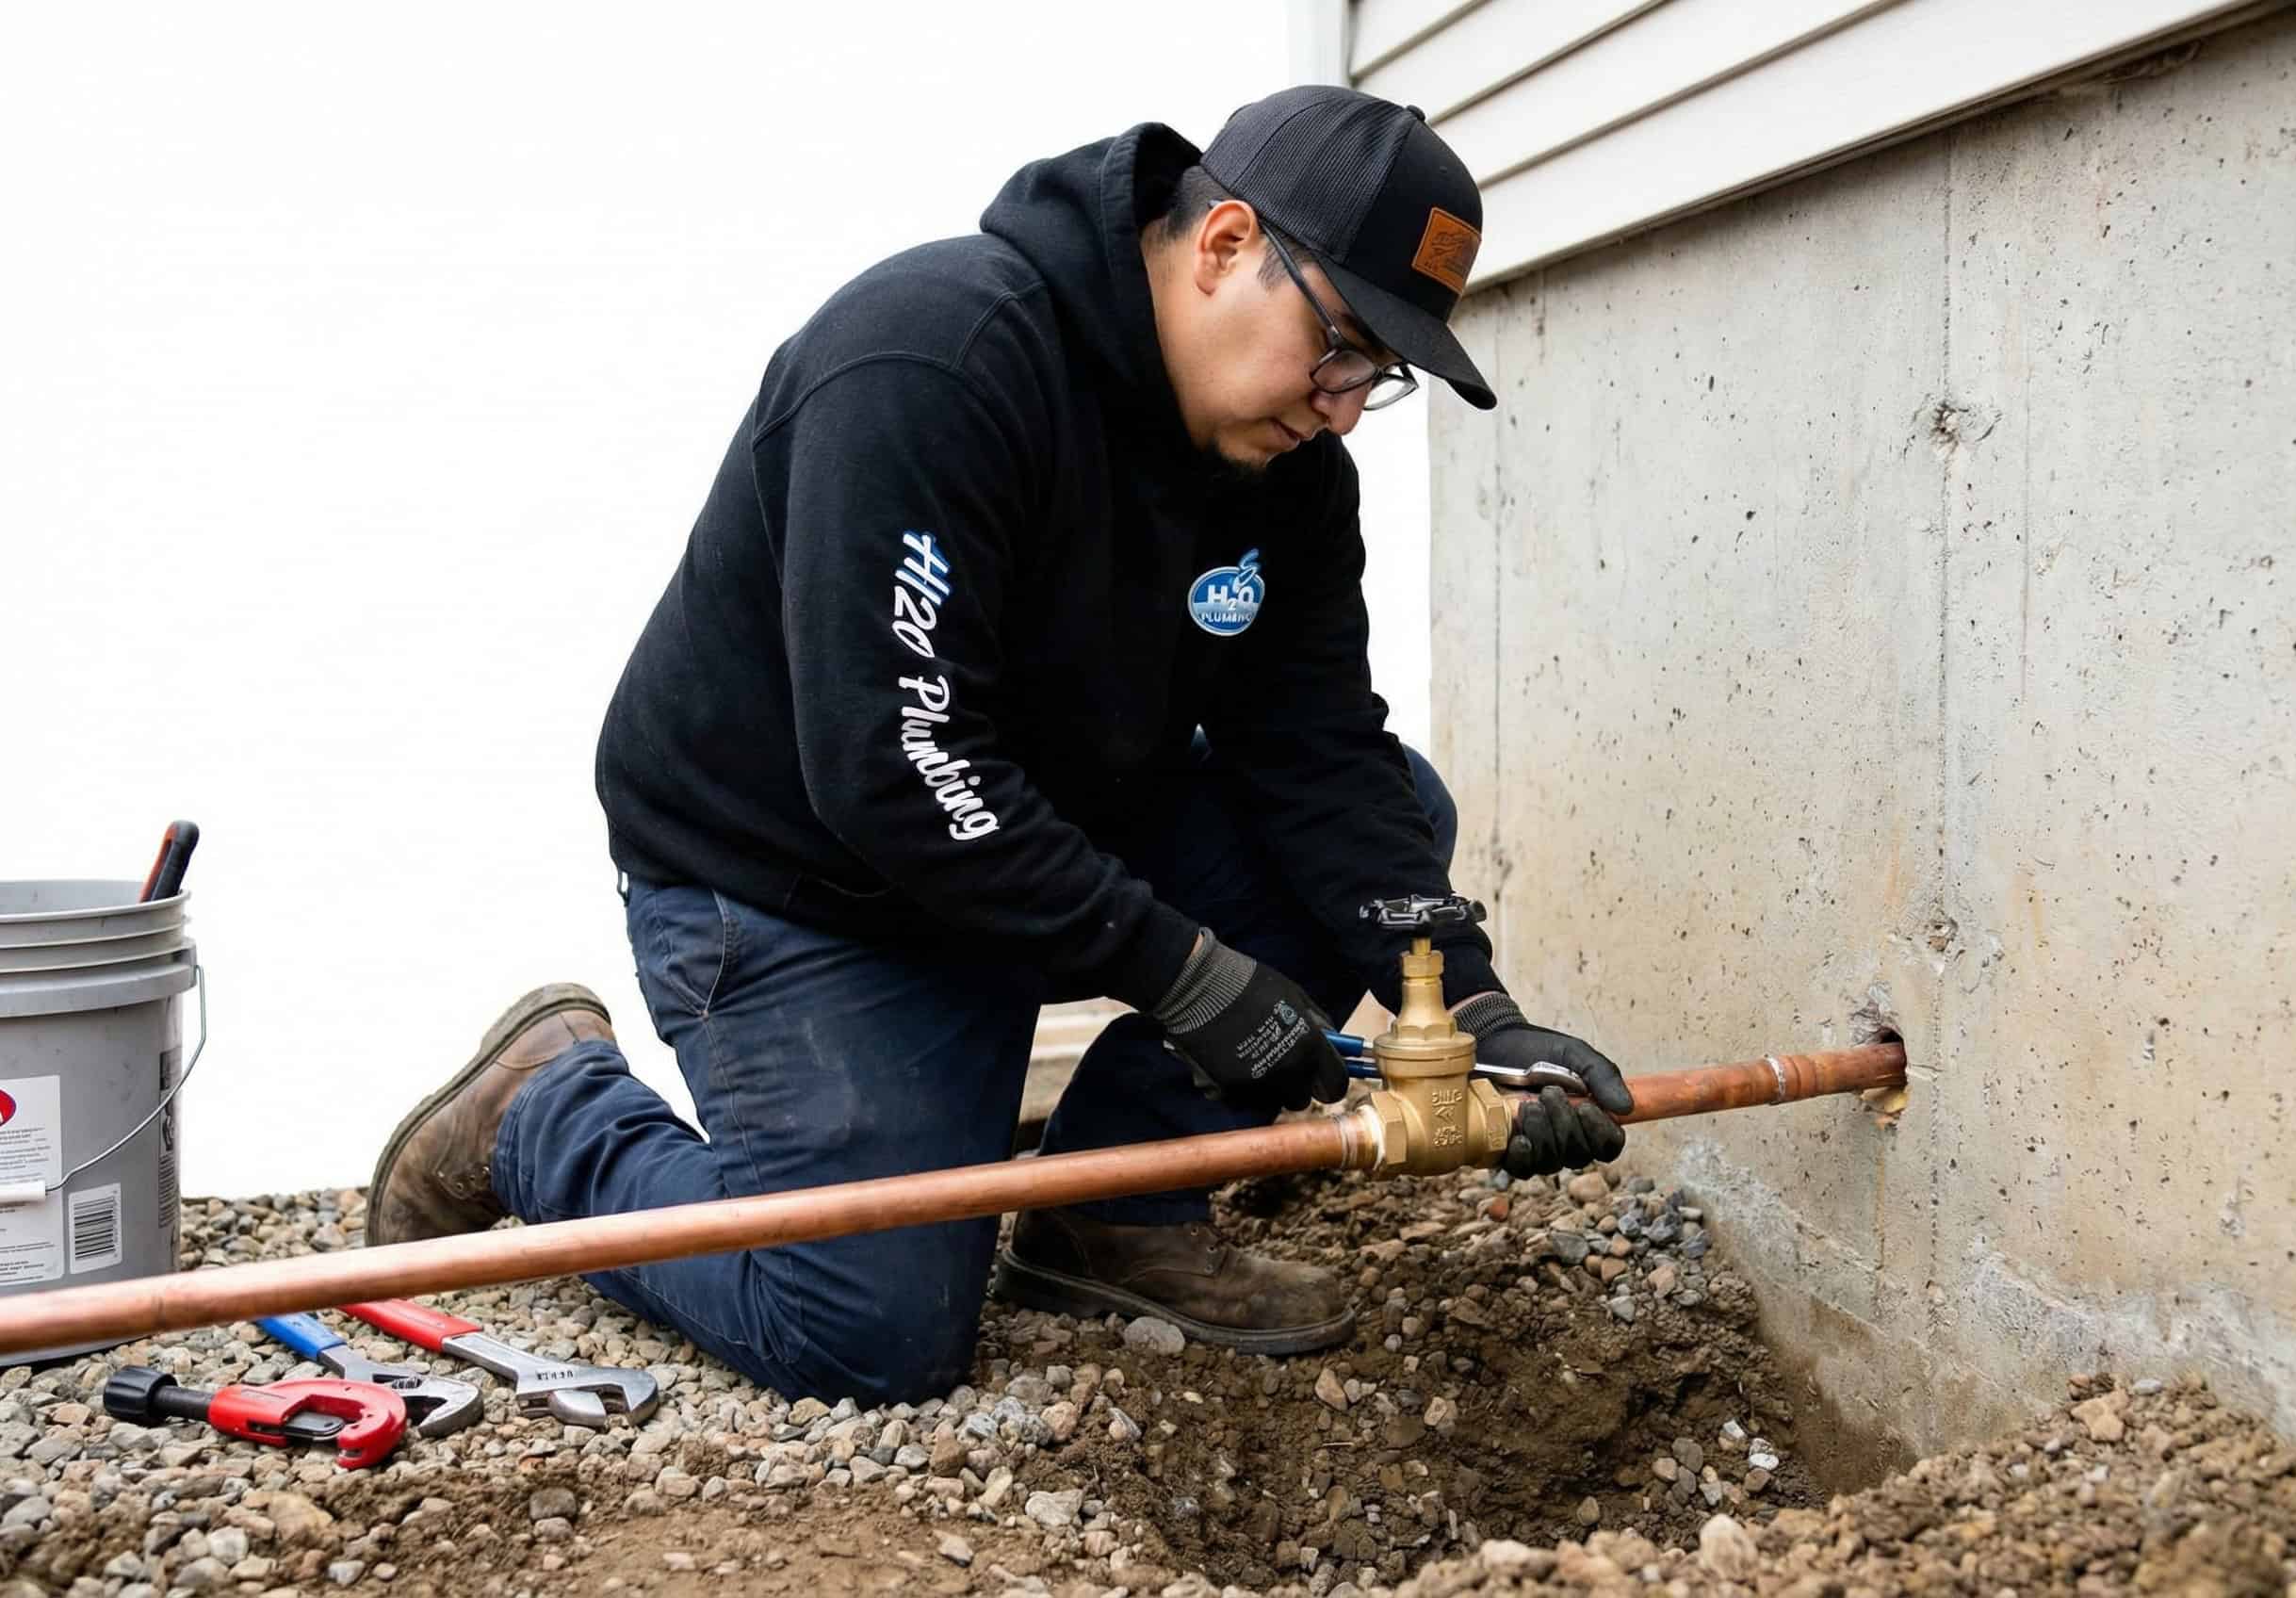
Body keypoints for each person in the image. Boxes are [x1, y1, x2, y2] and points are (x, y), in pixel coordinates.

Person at [367, 85, 1634, 1405]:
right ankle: (543, 1114)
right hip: (802, 882)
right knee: (865, 1335)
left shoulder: (1290, 475)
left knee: (1393, 813)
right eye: (1342, 348)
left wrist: (1470, 1003)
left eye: (1381, 374)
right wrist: (1187, 975)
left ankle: (1120, 1216)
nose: (1345, 408)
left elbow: (1320, 748)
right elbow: (892, 766)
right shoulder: (933, 362)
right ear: (1223, 247)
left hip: (1032, 835)